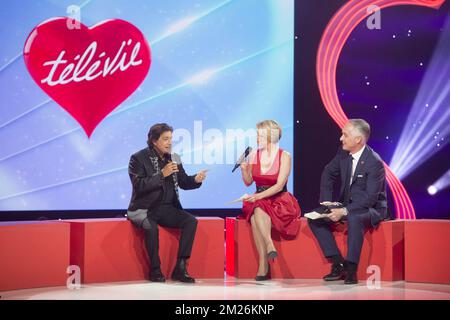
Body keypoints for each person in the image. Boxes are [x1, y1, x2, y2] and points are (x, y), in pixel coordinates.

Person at [308, 119, 388, 285]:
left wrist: (344, 211)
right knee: (314, 217)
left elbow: (370, 198)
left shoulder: (375, 162)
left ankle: (351, 269)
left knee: (354, 217)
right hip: (346, 204)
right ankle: (338, 262)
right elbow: (328, 173)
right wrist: (327, 202)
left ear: (358, 139)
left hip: (370, 208)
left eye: (345, 135)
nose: (341, 138)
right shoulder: (343, 154)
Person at [127, 123, 207, 283]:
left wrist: (196, 180)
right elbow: (139, 186)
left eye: (171, 138)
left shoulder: (174, 158)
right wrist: (162, 174)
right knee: (151, 227)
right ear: (154, 141)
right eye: (165, 139)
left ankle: (181, 268)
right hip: (145, 208)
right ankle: (155, 270)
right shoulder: (138, 158)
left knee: (190, 221)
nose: (170, 142)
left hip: (167, 208)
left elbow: (183, 182)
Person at [239, 120, 301, 281]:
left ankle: (263, 264)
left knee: (256, 210)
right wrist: (244, 170)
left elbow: (280, 185)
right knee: (257, 210)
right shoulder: (254, 155)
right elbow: (248, 182)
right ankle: (269, 246)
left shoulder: (285, 155)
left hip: (279, 199)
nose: (256, 138)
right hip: (260, 198)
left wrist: (258, 196)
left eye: (259, 135)